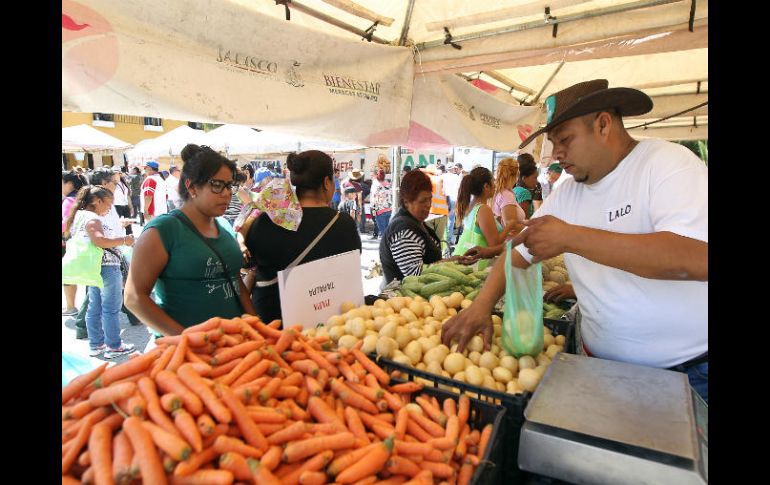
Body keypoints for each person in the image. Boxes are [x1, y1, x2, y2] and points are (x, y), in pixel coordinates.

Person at [442, 79, 708, 403]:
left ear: (603, 124)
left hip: (687, 376)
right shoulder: (568, 194)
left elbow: (693, 258)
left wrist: (571, 237)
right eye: (553, 143)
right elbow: (517, 253)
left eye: (565, 139)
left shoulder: (666, 164)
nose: (557, 154)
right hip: (598, 368)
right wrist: (481, 307)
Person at [124, 145, 257, 334]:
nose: (227, 193)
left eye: (229, 185)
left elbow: (235, 281)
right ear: (192, 187)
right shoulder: (163, 230)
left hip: (235, 345)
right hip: (188, 354)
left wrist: (256, 327)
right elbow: (134, 297)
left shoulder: (224, 228)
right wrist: (186, 341)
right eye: (217, 185)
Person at [245, 150, 361, 323]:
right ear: (326, 182)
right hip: (326, 324)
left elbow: (250, 261)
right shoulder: (344, 224)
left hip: (270, 325)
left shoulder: (265, 220)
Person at [64, 185, 136, 358]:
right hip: (106, 267)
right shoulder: (93, 218)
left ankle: (96, 345)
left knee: (94, 307)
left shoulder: (78, 216)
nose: (110, 208)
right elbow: (99, 241)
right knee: (110, 308)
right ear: (97, 201)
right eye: (108, 204)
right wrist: (125, 240)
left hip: (93, 268)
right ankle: (114, 346)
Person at [379, 170, 443, 285]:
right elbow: (415, 274)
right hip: (403, 299)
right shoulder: (403, 231)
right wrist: (449, 263)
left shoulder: (417, 222)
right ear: (406, 201)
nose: (428, 204)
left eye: (430, 199)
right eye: (423, 200)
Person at [451, 167, 518, 271]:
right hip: (475, 265)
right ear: (486, 186)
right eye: (493, 181)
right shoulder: (483, 209)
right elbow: (494, 244)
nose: (495, 185)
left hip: (463, 260)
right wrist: (509, 226)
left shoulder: (470, 205)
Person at [62, 170, 87, 315]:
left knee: (67, 274)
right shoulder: (82, 197)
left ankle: (71, 306)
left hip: (68, 242)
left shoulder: (69, 200)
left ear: (69, 184)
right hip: (83, 241)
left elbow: (65, 224)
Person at [491, 157, 527, 229]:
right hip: (509, 239)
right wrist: (530, 227)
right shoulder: (506, 195)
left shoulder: (496, 191)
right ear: (516, 175)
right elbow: (510, 227)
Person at [422, 164, 449, 252]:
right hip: (442, 213)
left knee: (429, 240)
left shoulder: (425, 180)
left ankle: (431, 261)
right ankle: (439, 258)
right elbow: (446, 195)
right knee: (439, 240)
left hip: (430, 213)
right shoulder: (441, 180)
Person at [513, 154, 539, 219]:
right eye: (535, 178)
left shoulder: (515, 189)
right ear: (524, 178)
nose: (536, 181)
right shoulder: (524, 192)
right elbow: (525, 219)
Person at [442, 163, 462, 246]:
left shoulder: (443, 176)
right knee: (451, 219)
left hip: (444, 199)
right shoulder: (456, 177)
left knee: (444, 220)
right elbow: (459, 189)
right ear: (452, 169)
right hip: (453, 199)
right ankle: (448, 239)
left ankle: (443, 239)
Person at [370, 169, 392, 238]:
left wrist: (373, 212)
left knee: (383, 233)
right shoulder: (388, 184)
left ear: (377, 176)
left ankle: (386, 246)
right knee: (387, 230)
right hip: (389, 209)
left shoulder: (375, 185)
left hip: (379, 211)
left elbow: (374, 199)